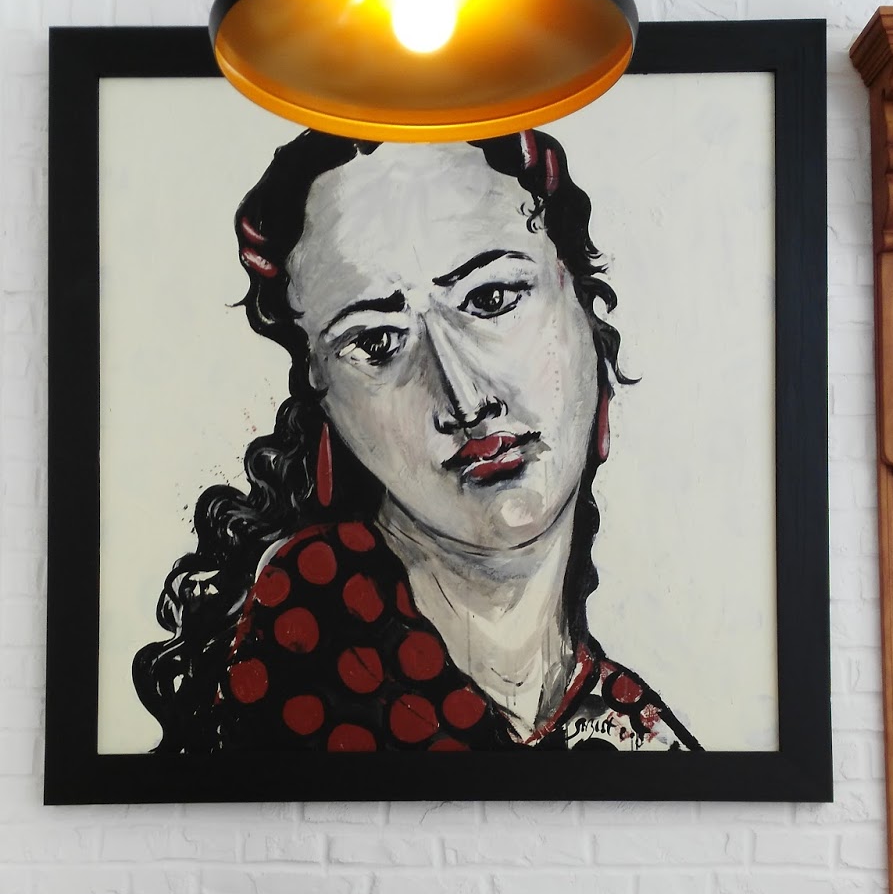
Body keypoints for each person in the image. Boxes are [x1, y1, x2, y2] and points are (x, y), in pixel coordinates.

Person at [133, 127, 699, 756]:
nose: (465, 398)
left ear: (585, 314)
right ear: (325, 402)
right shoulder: (291, 667)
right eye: (378, 342)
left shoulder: (639, 737)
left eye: (491, 299)